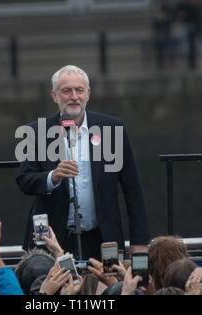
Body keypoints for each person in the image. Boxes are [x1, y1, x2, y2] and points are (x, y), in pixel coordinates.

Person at [16, 65, 151, 261]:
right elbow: (24, 180)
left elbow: (133, 189)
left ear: (88, 94)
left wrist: (139, 240)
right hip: (52, 241)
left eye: (79, 90)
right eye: (66, 91)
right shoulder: (36, 132)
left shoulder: (111, 129)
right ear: (55, 96)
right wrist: (52, 176)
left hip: (103, 239)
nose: (74, 96)